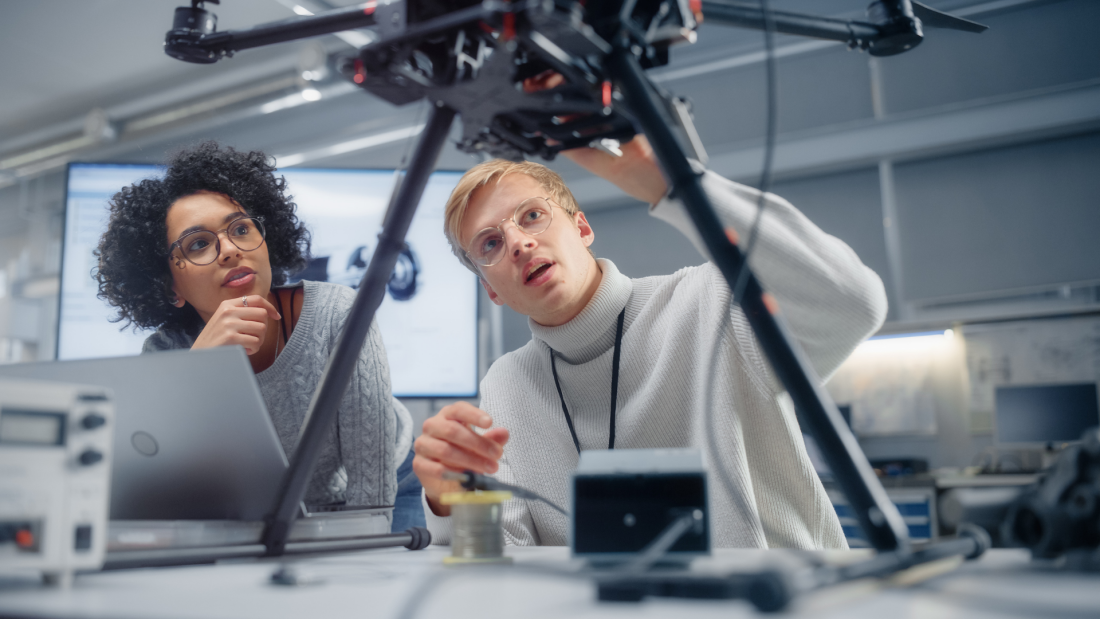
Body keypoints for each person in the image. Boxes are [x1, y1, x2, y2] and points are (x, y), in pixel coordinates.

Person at [412, 136, 888, 548]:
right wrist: (448, 500)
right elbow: (505, 559)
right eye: (490, 244)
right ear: (490, 289)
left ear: (581, 228)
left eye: (532, 215)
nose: (518, 243)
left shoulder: (713, 304)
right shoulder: (507, 385)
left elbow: (852, 303)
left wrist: (670, 181)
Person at [94, 142, 424, 532]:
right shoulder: (168, 352)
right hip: (267, 511)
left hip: (383, 483)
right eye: (198, 244)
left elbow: (371, 503)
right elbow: (158, 489)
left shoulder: (339, 313)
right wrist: (198, 370)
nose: (231, 250)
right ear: (170, 287)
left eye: (240, 229)